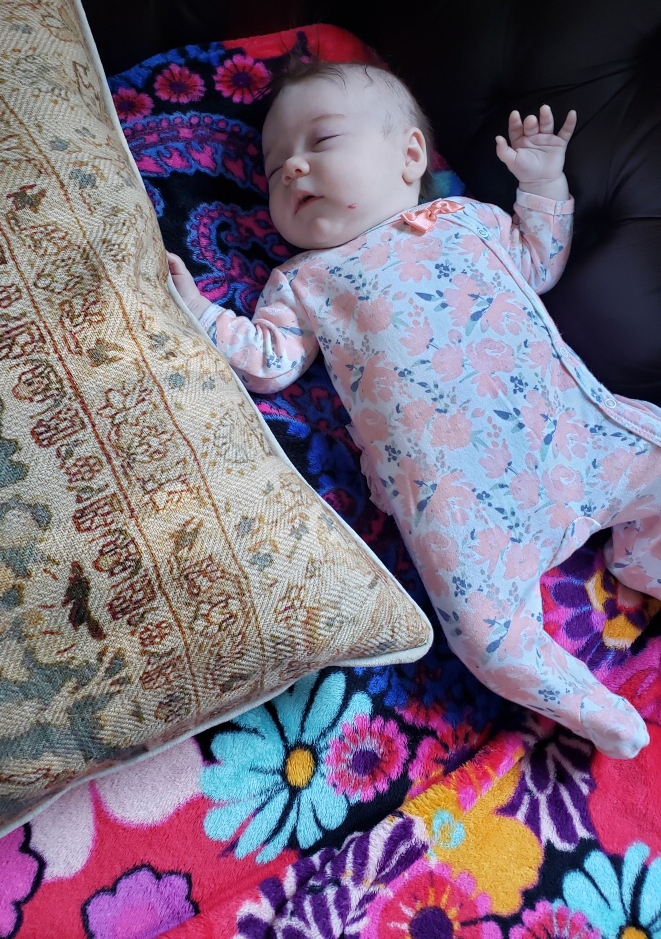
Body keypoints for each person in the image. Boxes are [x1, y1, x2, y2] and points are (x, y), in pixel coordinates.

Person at [167, 59, 661, 759]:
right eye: (276, 171)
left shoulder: (468, 220)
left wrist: (543, 182)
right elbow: (269, 362)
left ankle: (644, 559)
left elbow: (539, 261)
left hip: (575, 433)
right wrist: (197, 311)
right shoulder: (305, 280)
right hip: (458, 498)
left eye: (321, 141)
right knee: (479, 632)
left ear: (409, 157)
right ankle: (586, 702)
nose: (294, 170)